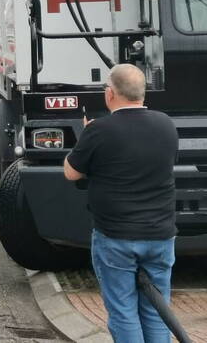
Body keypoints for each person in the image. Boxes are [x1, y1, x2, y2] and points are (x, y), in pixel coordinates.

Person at [64, 64, 178, 343]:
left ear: (109, 94)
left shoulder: (100, 129)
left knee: (123, 310)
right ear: (142, 92)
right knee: (156, 309)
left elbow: (71, 172)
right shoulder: (166, 123)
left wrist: (85, 136)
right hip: (160, 234)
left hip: (116, 236)